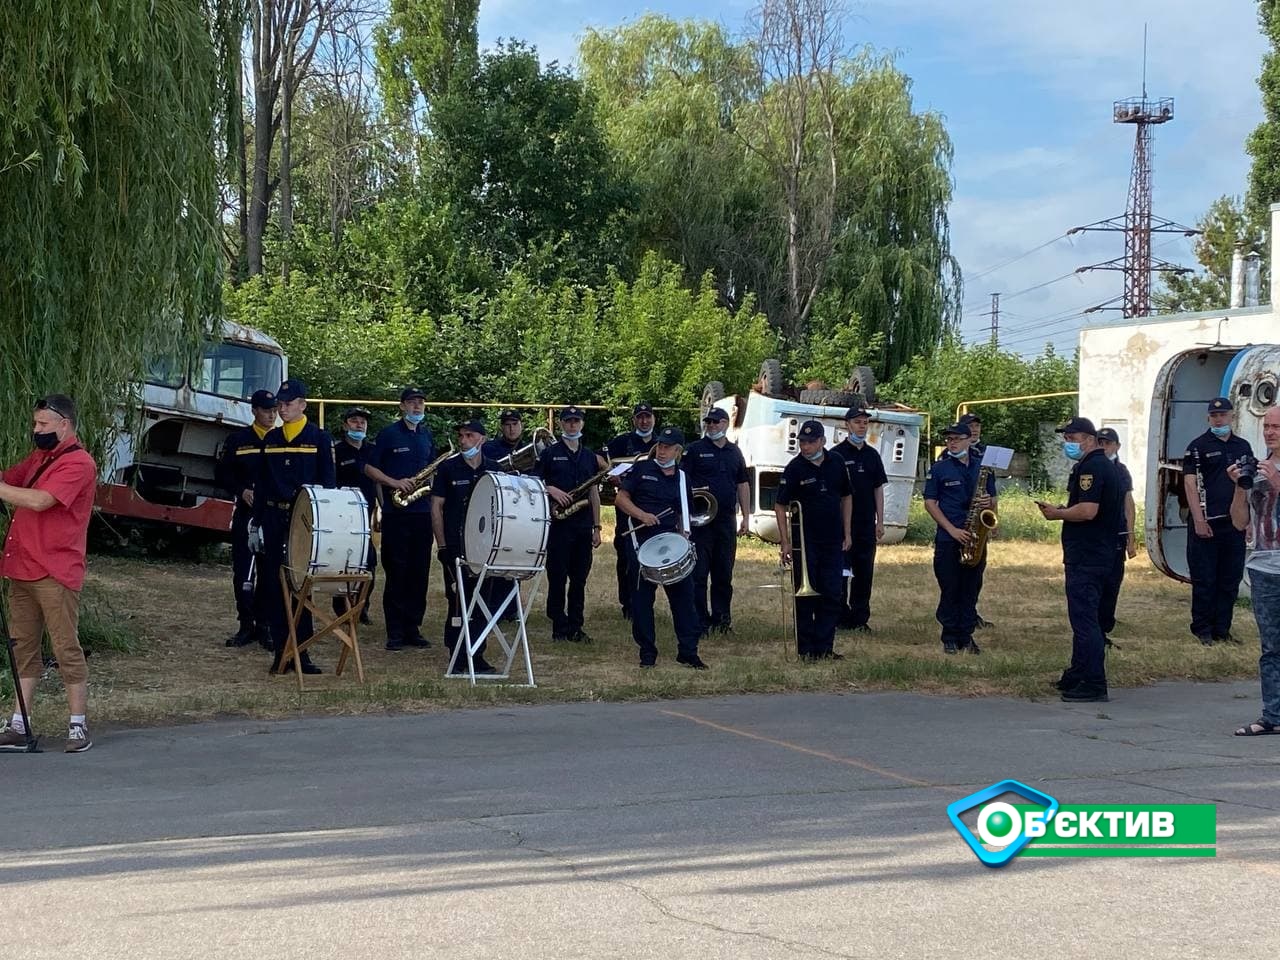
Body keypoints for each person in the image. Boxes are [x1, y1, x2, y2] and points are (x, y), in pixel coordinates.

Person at [0, 395, 98, 753]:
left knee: (64, 645)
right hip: (22, 566)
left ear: (64, 424)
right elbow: (11, 480)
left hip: (55, 569)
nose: (35, 430)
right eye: (35, 423)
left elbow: (41, 500)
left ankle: (77, 726)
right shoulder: (42, 457)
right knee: (22, 646)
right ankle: (18, 722)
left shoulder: (80, 464)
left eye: (42, 425)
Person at [1038, 417, 1124, 703]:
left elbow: (1087, 511)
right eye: (1066, 438)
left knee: (1085, 620)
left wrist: (1058, 514)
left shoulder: (1092, 468)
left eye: (1072, 438)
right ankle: (1077, 673)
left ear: (1089, 439)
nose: (1068, 443)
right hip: (1098, 552)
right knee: (1085, 618)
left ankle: (1093, 682)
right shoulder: (1100, 466)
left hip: (1088, 555)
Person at [255, 379, 335, 675]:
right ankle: (281, 651)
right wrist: (257, 523)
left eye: (288, 404)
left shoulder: (318, 438)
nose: (282, 409)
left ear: (303, 405)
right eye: (280, 405)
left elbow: (328, 483)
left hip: (305, 521)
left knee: (302, 585)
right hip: (275, 518)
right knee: (277, 586)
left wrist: (324, 522)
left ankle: (303, 651)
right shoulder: (272, 439)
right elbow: (262, 485)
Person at [614, 426, 707, 668]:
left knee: (685, 598)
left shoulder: (683, 477)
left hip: (670, 542)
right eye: (660, 446)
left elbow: (683, 512)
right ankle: (647, 652)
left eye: (668, 448)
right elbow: (621, 499)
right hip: (642, 542)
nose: (662, 451)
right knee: (642, 601)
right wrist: (642, 515)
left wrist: (684, 533)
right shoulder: (642, 469)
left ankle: (688, 651)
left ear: (678, 451)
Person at [774, 420, 852, 661]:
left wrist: (847, 532)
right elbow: (780, 504)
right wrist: (785, 541)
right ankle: (806, 649)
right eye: (802, 442)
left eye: (810, 442)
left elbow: (847, 497)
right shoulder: (794, 468)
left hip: (832, 539)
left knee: (832, 593)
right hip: (805, 541)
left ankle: (824, 647)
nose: (805, 446)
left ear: (822, 441)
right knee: (806, 595)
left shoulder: (837, 462)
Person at [365, 387, 436, 651]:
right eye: (412, 403)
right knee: (397, 571)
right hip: (397, 512)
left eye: (420, 403)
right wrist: (395, 482)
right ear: (402, 406)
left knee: (419, 572)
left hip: (422, 512)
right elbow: (370, 467)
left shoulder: (427, 434)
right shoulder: (388, 434)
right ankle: (394, 631)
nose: (417, 407)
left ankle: (412, 628)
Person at [431, 421, 500, 675]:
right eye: (460, 435)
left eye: (469, 435)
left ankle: (478, 652)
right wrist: (442, 545)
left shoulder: (493, 468)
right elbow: (437, 507)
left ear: (481, 439)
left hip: (485, 548)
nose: (463, 440)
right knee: (458, 600)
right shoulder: (448, 468)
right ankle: (457, 653)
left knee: (483, 600)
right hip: (456, 545)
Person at [1183, 398, 1254, 645]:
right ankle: (1202, 629)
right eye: (1214, 415)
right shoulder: (1197, 446)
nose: (1218, 419)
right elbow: (1190, 485)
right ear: (1208, 418)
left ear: (1231, 416)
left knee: (1229, 579)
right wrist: (1199, 519)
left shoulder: (1243, 446)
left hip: (1233, 523)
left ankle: (1222, 630)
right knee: (1205, 579)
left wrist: (1249, 521)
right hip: (1206, 522)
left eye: (1223, 415)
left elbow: (1248, 485)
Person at [1227, 406, 1280, 735]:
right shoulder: (1257, 470)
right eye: (1267, 426)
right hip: (1263, 567)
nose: (1270, 432)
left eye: (1276, 426)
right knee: (1271, 647)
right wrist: (1239, 487)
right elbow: (1239, 521)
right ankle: (1272, 715)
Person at [923, 422, 996, 655]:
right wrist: (952, 530)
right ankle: (950, 636)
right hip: (949, 536)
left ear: (967, 440)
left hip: (976, 535)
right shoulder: (939, 468)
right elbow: (930, 502)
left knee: (971, 587)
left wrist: (989, 505)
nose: (951, 442)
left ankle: (967, 635)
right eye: (949, 439)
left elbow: (992, 499)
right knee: (950, 587)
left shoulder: (982, 468)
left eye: (956, 438)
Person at [214, 389, 277, 648]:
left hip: (272, 515)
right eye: (266, 410)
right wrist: (241, 490)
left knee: (270, 572)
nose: (272, 415)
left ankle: (265, 626)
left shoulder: (281, 439)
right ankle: (245, 624)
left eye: (274, 410)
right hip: (247, 514)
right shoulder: (238, 440)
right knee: (243, 571)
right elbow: (223, 474)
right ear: (254, 411)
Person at [533, 406, 602, 642]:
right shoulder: (549, 454)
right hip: (558, 525)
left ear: (582, 424)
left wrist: (597, 526)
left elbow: (593, 492)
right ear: (561, 424)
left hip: (582, 525)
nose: (572, 425)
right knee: (558, 576)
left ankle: (576, 625)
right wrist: (551, 489)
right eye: (568, 421)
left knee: (579, 578)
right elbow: (535, 483)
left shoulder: (590, 455)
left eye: (576, 421)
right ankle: (558, 624)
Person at [681, 408, 750, 635]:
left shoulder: (734, 451)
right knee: (699, 574)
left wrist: (746, 518)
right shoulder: (694, 450)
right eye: (708, 422)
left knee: (723, 574)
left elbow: (743, 483)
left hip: (726, 521)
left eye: (715, 422)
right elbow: (682, 482)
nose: (710, 425)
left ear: (725, 424)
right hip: (700, 522)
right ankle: (700, 622)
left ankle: (722, 620)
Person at [831, 406, 887, 632]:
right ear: (847, 425)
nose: (862, 426)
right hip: (842, 524)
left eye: (865, 422)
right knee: (841, 572)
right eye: (857, 422)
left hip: (865, 524)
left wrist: (880, 520)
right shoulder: (836, 455)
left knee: (864, 573)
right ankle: (839, 616)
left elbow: (878, 489)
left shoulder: (872, 454)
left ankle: (859, 618)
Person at [605, 403, 658, 621]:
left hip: (653, 504)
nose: (644, 421)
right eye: (640, 417)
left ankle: (646, 603)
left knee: (652, 555)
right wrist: (612, 474)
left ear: (653, 418)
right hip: (627, 505)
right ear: (634, 420)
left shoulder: (660, 443)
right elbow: (602, 460)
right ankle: (627, 603)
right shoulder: (621, 442)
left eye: (648, 417)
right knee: (626, 556)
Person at [333, 405, 377, 626]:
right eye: (354, 421)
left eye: (363, 422)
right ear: (345, 425)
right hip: (343, 516)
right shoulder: (337, 451)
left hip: (366, 516)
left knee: (369, 563)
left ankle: (362, 607)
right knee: (344, 562)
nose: (359, 425)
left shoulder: (372, 450)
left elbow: (377, 482)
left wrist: (380, 510)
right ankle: (342, 608)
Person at [1096, 427, 1138, 646]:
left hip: (1117, 536)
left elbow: (1128, 504)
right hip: (1096, 537)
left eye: (1108, 443)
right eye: (1100, 442)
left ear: (1116, 446)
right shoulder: (1089, 467)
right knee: (1097, 585)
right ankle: (1095, 633)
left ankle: (1104, 628)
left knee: (1112, 585)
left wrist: (1131, 536)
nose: (1104, 447)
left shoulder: (1121, 471)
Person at [959, 412, 993, 629]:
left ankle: (971, 611)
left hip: (979, 518)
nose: (975, 429)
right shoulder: (949, 455)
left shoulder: (985, 454)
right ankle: (960, 614)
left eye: (977, 425)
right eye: (970, 426)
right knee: (958, 573)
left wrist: (991, 517)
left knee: (977, 570)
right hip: (960, 520)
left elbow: (991, 490)